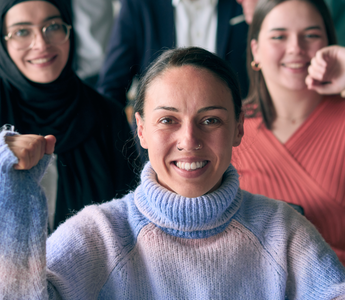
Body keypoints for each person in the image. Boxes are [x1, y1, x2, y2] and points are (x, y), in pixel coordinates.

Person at [1, 46, 345, 299]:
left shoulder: (282, 231)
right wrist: (11, 192)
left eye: (210, 120)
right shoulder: (100, 234)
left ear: (239, 128)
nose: (189, 140)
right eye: (168, 120)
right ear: (141, 130)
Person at [0, 0, 138, 231]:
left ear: (69, 29)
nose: (41, 44)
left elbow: (129, 217)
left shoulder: (107, 115)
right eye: (22, 32)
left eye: (53, 26)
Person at [231, 0, 345, 265]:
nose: (296, 48)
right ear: (255, 50)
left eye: (311, 35)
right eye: (279, 36)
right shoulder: (225, 128)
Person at [96, 0, 249, 109]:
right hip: (156, 142)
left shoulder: (245, 4)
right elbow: (111, 87)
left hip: (242, 138)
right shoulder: (138, 4)